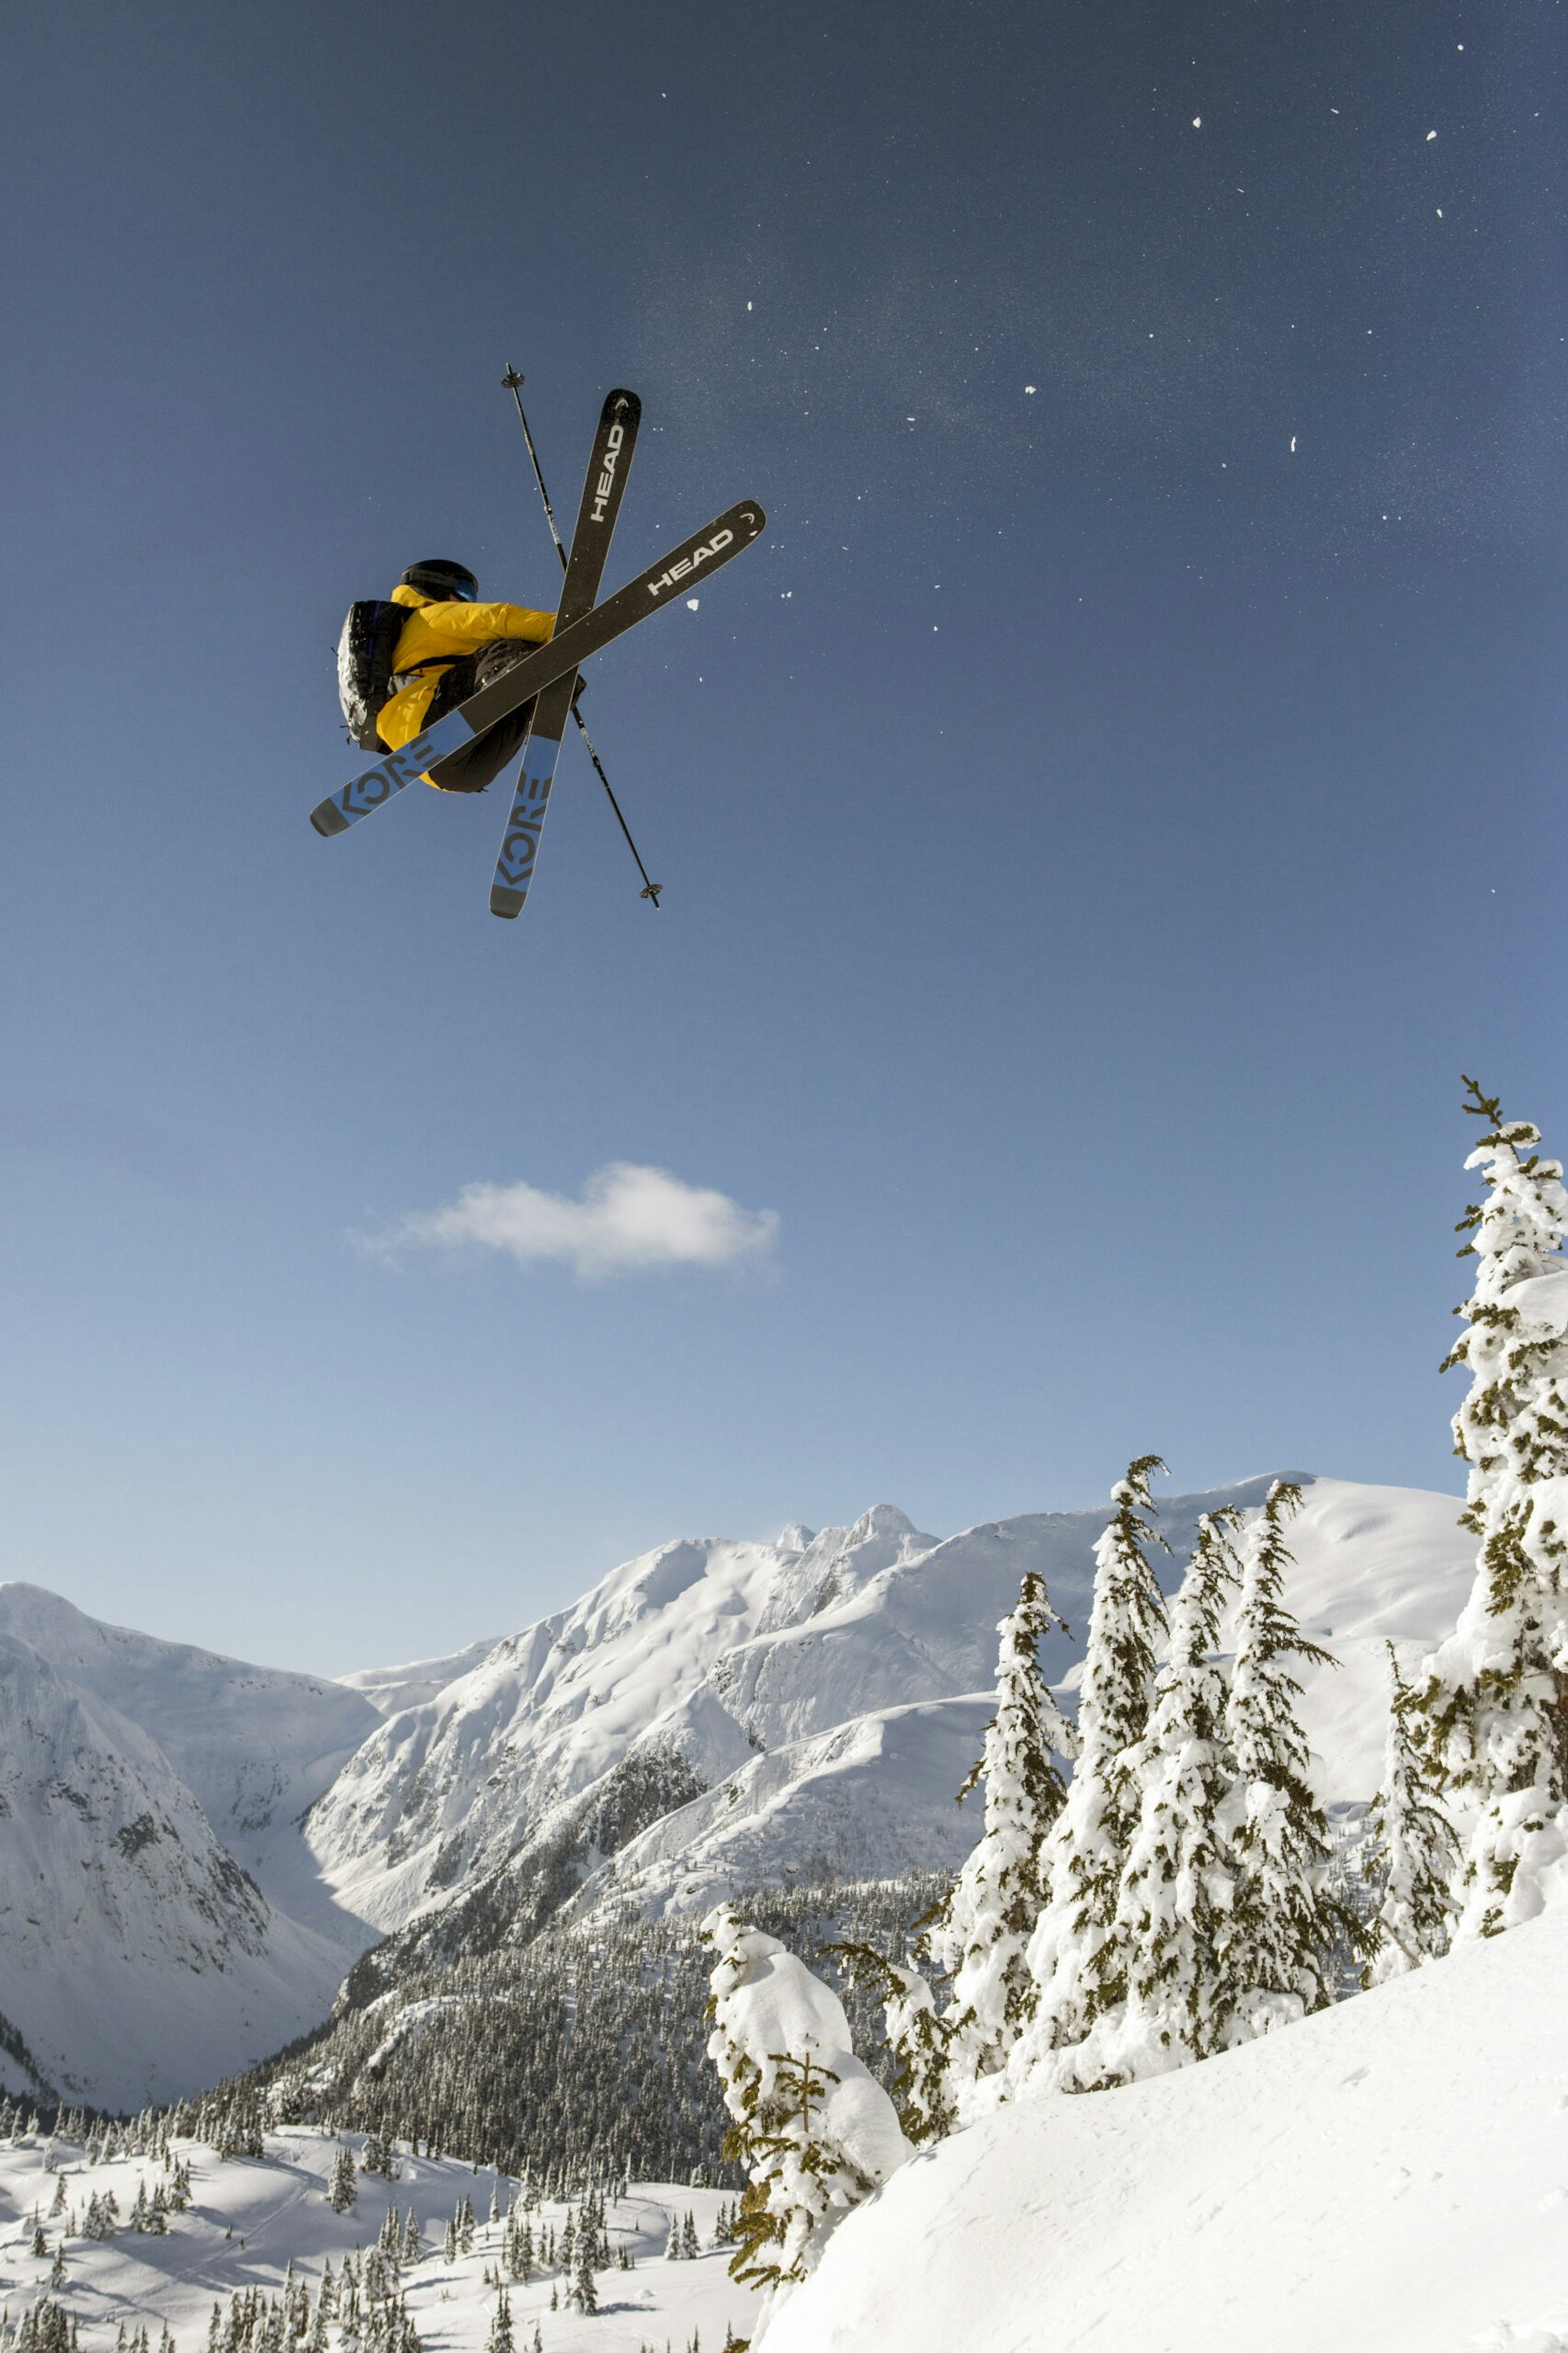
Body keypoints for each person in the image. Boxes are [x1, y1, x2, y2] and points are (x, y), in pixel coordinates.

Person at [378, 558, 557, 795]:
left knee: (524, 691)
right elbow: (499, 618)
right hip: (433, 729)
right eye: (464, 591)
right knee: (514, 645)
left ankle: (545, 689)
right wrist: (565, 626)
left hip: (447, 774)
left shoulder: (403, 641)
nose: (467, 601)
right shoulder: (431, 616)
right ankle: (537, 684)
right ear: (436, 586)